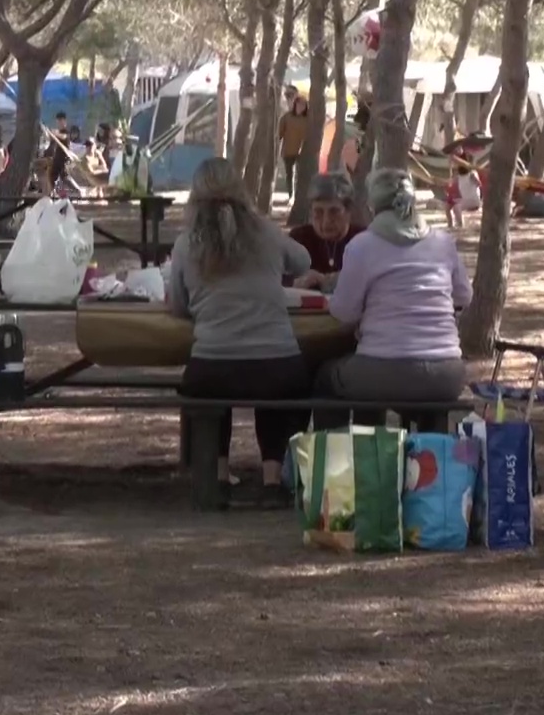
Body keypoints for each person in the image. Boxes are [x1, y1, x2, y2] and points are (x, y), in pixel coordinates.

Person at [166, 157, 315, 508]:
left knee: (212, 387)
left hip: (212, 365)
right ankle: (271, 479)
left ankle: (218, 478)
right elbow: (304, 261)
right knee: (278, 384)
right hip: (279, 363)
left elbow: (178, 306)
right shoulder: (266, 232)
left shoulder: (187, 244)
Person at [319, 168, 472, 411]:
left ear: (372, 206)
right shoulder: (443, 241)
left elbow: (344, 312)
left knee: (326, 377)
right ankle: (431, 443)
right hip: (447, 373)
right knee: (428, 399)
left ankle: (349, 446)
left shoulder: (362, 245)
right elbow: (464, 295)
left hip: (383, 367)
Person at [288, 173, 365, 285]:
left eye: (334, 212)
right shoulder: (299, 238)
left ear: (349, 212)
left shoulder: (363, 240)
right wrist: (295, 282)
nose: (326, 221)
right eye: (318, 212)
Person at [278, 90, 309, 195]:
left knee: (301, 175)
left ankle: (299, 195)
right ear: (295, 105)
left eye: (303, 105)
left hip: (303, 151)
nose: (301, 107)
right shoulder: (287, 117)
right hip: (288, 150)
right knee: (289, 174)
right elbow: (279, 133)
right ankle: (290, 194)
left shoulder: (308, 119)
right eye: (299, 104)